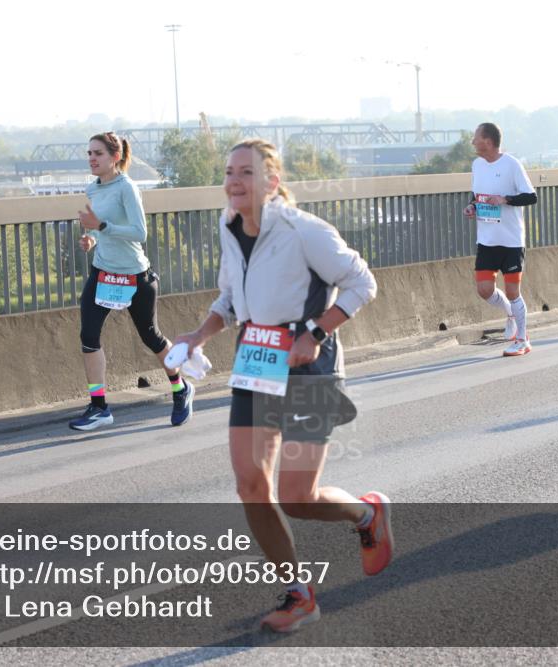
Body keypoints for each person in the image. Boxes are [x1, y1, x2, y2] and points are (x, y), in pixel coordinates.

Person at [174, 139, 393, 633]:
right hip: (257, 359)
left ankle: (366, 514)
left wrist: (314, 334)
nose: (234, 181)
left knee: (297, 496)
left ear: (271, 182)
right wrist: (197, 335)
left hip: (310, 366)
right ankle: (299, 595)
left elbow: (362, 283)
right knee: (251, 485)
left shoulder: (303, 230)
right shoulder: (230, 227)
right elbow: (231, 297)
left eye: (246, 172)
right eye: (229, 172)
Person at [70, 132, 194, 430]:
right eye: (89, 153)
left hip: (134, 276)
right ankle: (99, 407)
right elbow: (103, 231)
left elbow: (139, 233)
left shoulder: (127, 188)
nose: (92, 158)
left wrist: (100, 226)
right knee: (89, 337)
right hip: (102, 273)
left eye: (98, 153)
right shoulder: (93, 188)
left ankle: (180, 388)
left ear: (115, 157)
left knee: (151, 337)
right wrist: (92, 238)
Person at [463, 122, 539, 356]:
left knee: (513, 290)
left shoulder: (511, 164)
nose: (473, 142)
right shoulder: (477, 165)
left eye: (476, 137)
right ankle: (510, 314)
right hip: (487, 238)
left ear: (487, 141)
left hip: (511, 240)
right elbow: (477, 195)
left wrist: (504, 200)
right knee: (484, 290)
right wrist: (472, 206)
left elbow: (531, 197)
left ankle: (523, 339)